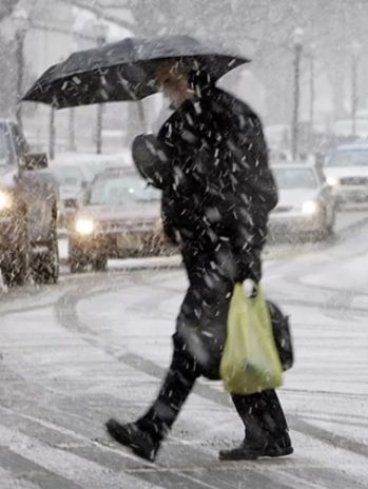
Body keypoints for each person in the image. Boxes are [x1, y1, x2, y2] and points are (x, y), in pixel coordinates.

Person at [105, 59, 292, 461]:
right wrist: (152, 162)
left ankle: (152, 429)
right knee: (230, 342)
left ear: (190, 74)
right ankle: (271, 433)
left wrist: (240, 248)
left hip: (225, 253)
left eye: (169, 79)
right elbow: (172, 179)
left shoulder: (232, 118)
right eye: (160, 82)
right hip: (205, 251)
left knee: (188, 341)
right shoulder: (181, 122)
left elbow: (261, 192)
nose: (163, 87)